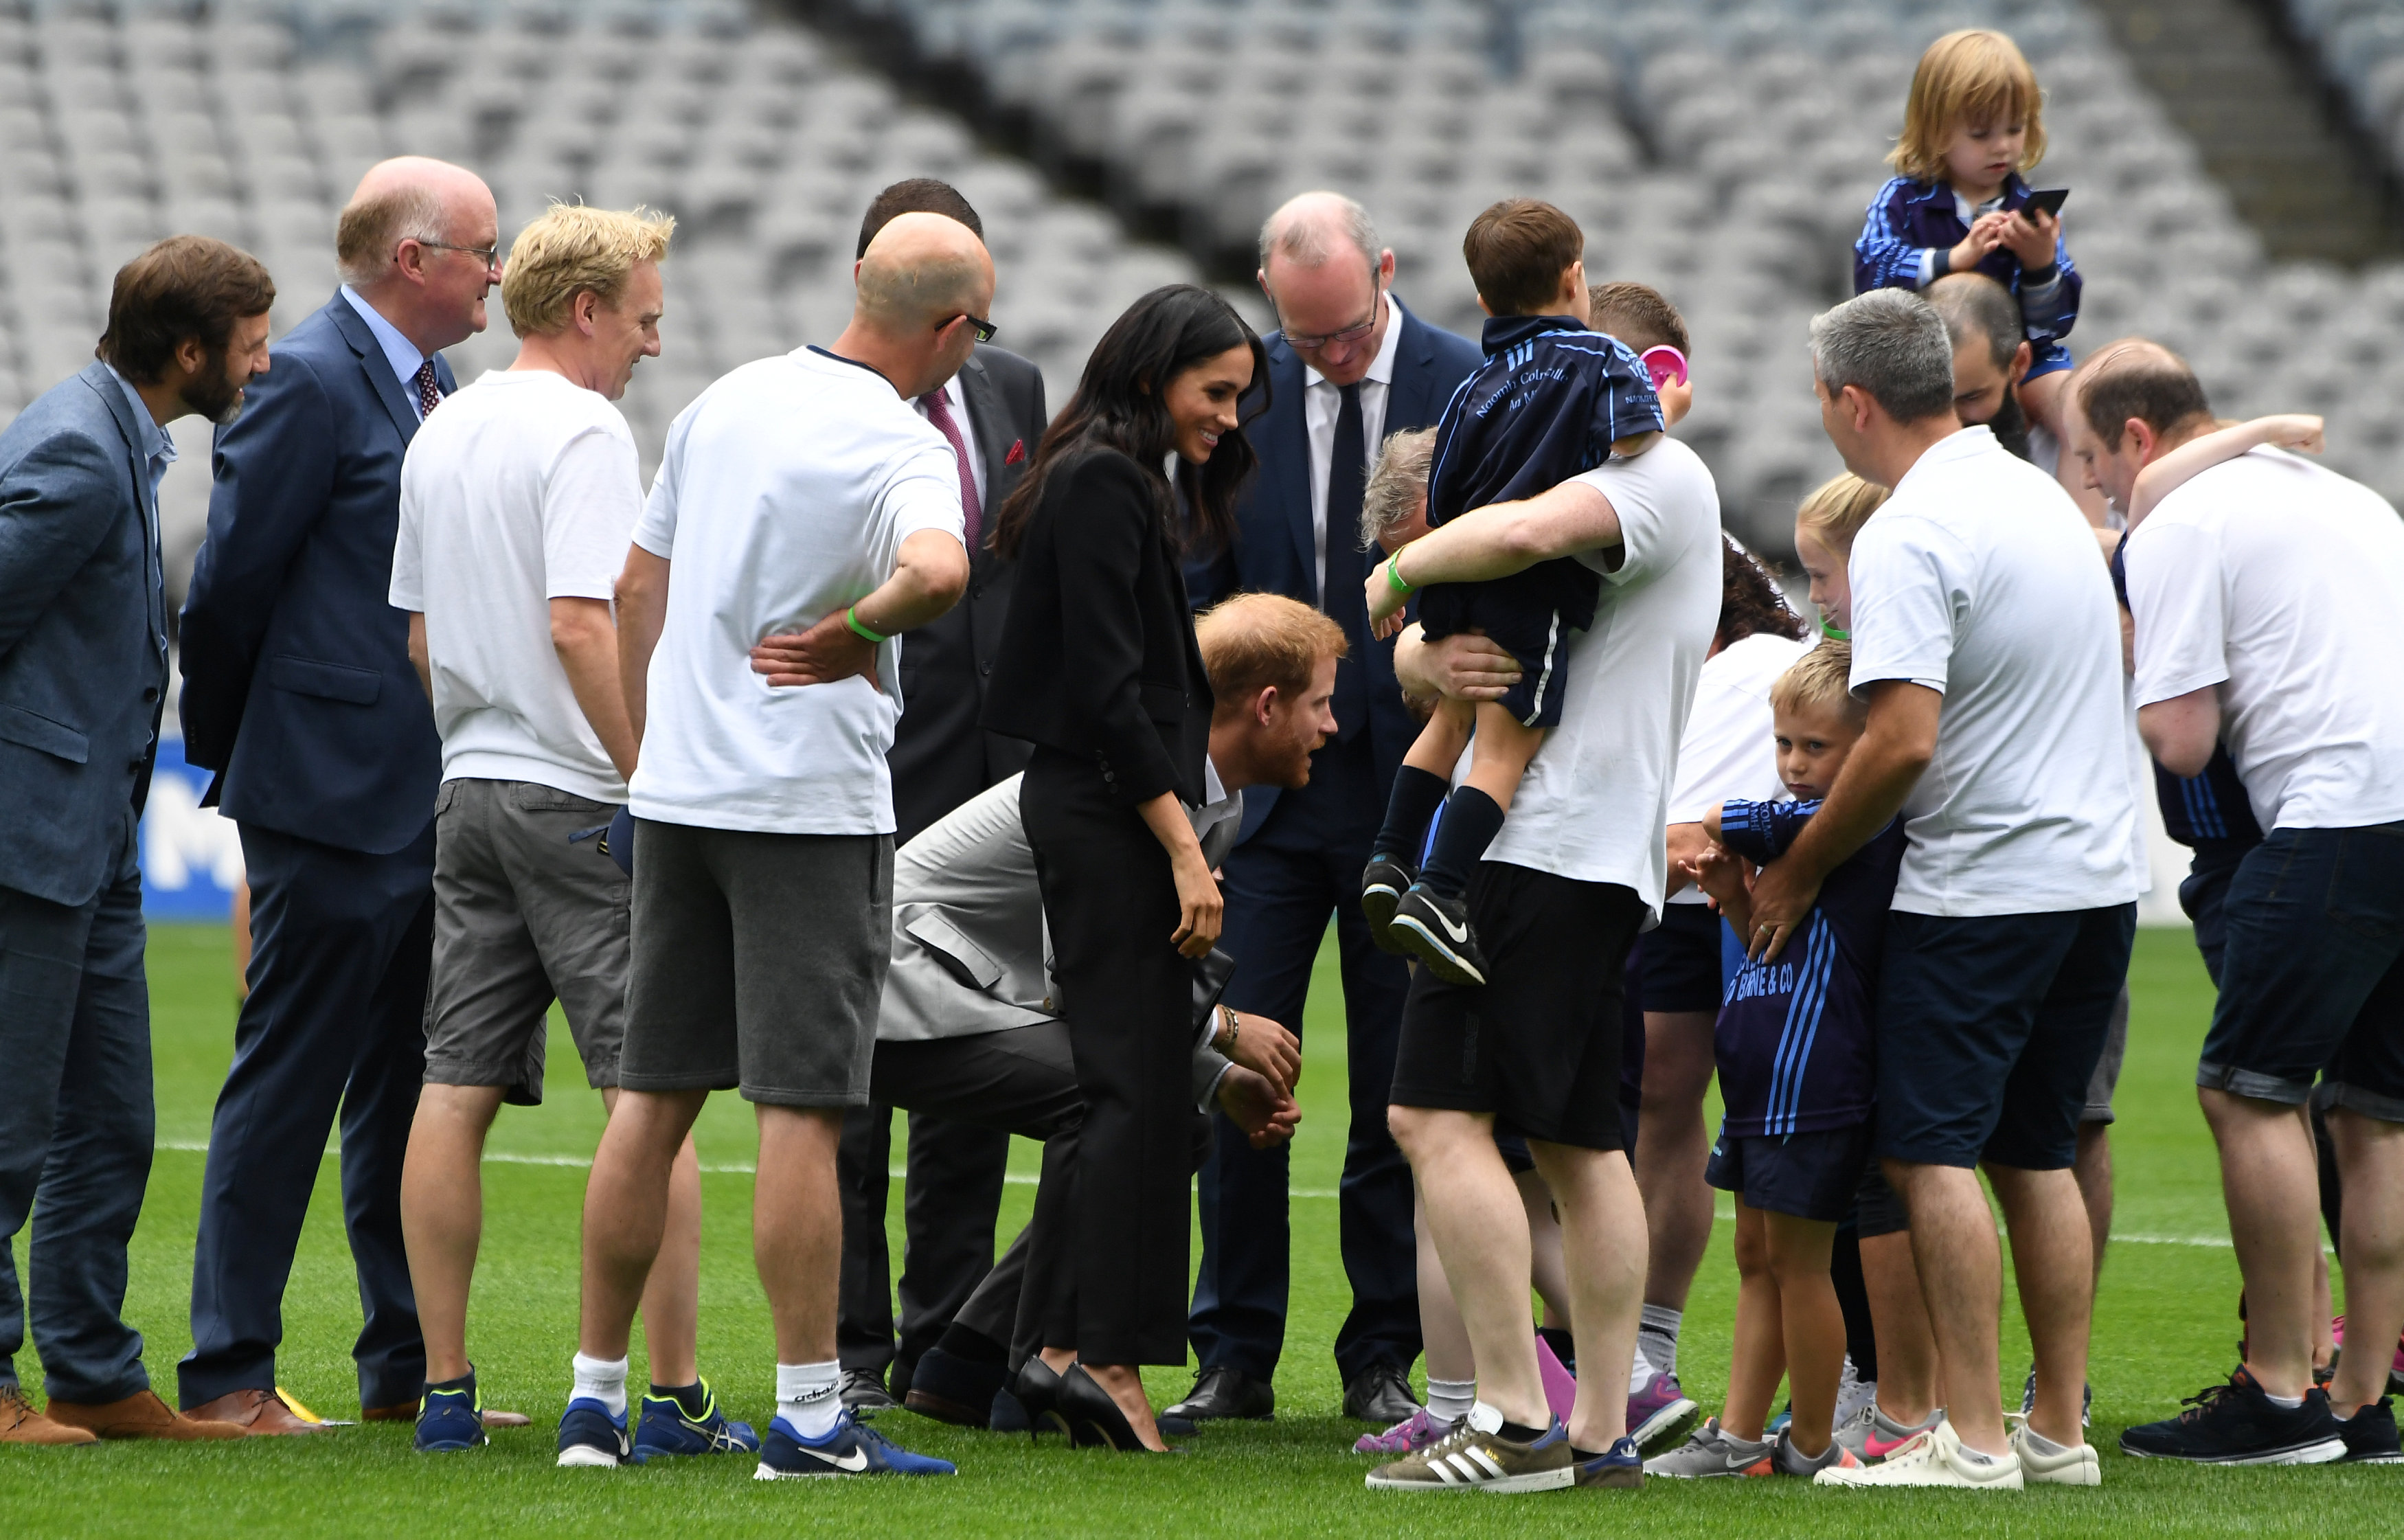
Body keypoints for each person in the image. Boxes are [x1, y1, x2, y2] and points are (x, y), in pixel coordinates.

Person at [560, 211, 984, 1480]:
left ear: (859, 283)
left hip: (682, 796)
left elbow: (638, 585)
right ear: (953, 331)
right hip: (805, 808)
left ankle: (594, 1399)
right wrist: (861, 625)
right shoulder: (903, 440)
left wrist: (654, 752)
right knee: (802, 1112)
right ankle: (808, 1417)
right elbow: (943, 572)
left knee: (650, 1103)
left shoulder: (726, 400)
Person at [1742, 288, 2135, 1491]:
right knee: (2036, 1153)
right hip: (2096, 879)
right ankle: (2055, 1430)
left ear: (1850, 401)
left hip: (1984, 886)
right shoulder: (2034, 491)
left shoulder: (1912, 530)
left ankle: (1970, 1438)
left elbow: (1903, 738)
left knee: (1930, 1152)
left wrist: (1797, 872)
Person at [387, 203, 737, 1460]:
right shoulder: (586, 427)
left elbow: (423, 638)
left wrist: (482, 746)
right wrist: (642, 773)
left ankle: (443, 1390)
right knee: (654, 1097)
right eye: (644, 315)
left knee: (452, 1084)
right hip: (581, 797)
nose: (653, 339)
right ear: (586, 308)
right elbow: (583, 621)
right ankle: (675, 1392)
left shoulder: (444, 424)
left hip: (469, 789)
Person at [1359, 339, 1724, 1494]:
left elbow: (1499, 565)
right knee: (1577, 1143)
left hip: (1535, 851)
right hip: (1592, 856)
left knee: (1430, 1119)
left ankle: (1514, 1421)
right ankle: (1603, 1428)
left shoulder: (1638, 488)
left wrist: (1397, 580)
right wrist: (1424, 631)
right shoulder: (1629, 488)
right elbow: (1439, 667)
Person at [176, 157, 503, 1434]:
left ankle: (408, 1362)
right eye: (480, 248)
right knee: (291, 1077)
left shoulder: (435, 384)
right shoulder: (308, 377)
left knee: (410, 1084)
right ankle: (229, 1374)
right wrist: (248, 755)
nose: (496, 268)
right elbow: (229, 586)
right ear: (412, 262)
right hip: (327, 792)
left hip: (423, 793)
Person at [860, 593, 1330, 1435]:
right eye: (1320, 704)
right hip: (893, 995)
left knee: (1169, 1125)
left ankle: (966, 1363)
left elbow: (1123, 983)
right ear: (1265, 706)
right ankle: (1044, 1365)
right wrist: (1222, 1037)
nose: (1331, 727)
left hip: (964, 997)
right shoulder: (1136, 786)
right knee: (1108, 1103)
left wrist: (1213, 1079)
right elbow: (1091, 978)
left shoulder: (1213, 799)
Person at [1178, 191, 1480, 1428]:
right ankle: (1232, 1350)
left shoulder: (1467, 385)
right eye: (1309, 341)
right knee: (1235, 1065)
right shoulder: (1239, 391)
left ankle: (1381, 1350)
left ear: (1389, 277)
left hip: (1411, 790)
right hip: (1265, 803)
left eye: (1347, 333)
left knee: (1395, 1087)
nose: (1332, 358)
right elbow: (1203, 572)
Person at [2089, 344, 2404, 1466]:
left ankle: (2279, 1390)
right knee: (2375, 1109)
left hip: (2331, 814)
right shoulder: (2349, 495)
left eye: (2091, 468)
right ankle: (2366, 1396)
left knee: (2247, 1091)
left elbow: (2182, 738)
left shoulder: (2177, 522)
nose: (2099, 495)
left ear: (2134, 440)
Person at [778, 178, 1050, 1420]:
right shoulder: (820, 410)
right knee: (850, 1066)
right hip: (870, 766)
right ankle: (848, 1343)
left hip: (990, 779)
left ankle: (951, 1344)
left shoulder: (1015, 392)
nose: (977, 329)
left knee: (969, 1058)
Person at [0, 237, 273, 1446]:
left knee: (109, 1121)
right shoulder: (75, 447)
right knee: (7, 1127)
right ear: (191, 353)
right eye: (252, 346)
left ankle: (95, 1373)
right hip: (28, 835)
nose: (265, 366)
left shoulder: (122, 434)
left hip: (96, 841)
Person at [983, 282, 1262, 1452]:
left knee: (1132, 1087)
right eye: (1216, 392)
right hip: (1109, 814)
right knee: (1132, 1089)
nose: (1231, 419)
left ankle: (1059, 1347)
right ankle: (1101, 1355)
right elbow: (1108, 690)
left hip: (1107, 810)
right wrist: (1186, 845)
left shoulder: (1113, 478)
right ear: (1152, 377)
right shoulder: (1103, 482)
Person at [1362, 199, 1664, 986]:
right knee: (1503, 748)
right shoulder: (1600, 361)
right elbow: (1638, 441)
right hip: (1531, 593)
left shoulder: (1473, 386)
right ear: (1574, 277)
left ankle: (1389, 860)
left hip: (1454, 579)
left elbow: (1448, 488)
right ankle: (1442, 891)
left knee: (1448, 719)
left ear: (1485, 302)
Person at [1646, 642, 1896, 1480]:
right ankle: (1741, 1435)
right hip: (1762, 1083)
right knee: (1755, 1255)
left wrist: (1703, 826)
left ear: (1865, 750)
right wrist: (1726, 896)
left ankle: (1814, 1440)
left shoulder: (1851, 825)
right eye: (1783, 743)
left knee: (1797, 1261)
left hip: (1810, 1085)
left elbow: (1729, 817)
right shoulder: (1802, 831)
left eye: (1814, 747)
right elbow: (1764, 937)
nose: (1791, 765)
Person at [1854, 30, 2079, 456]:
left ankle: (2086, 524)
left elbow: (2053, 326)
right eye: (1981, 134)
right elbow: (1871, 276)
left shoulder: (2032, 212)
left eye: (2015, 129)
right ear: (1937, 132)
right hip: (1926, 367)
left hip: (2017, 364)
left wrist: (2041, 265)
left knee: (2079, 415)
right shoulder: (1903, 200)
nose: (2003, 147)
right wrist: (1954, 259)